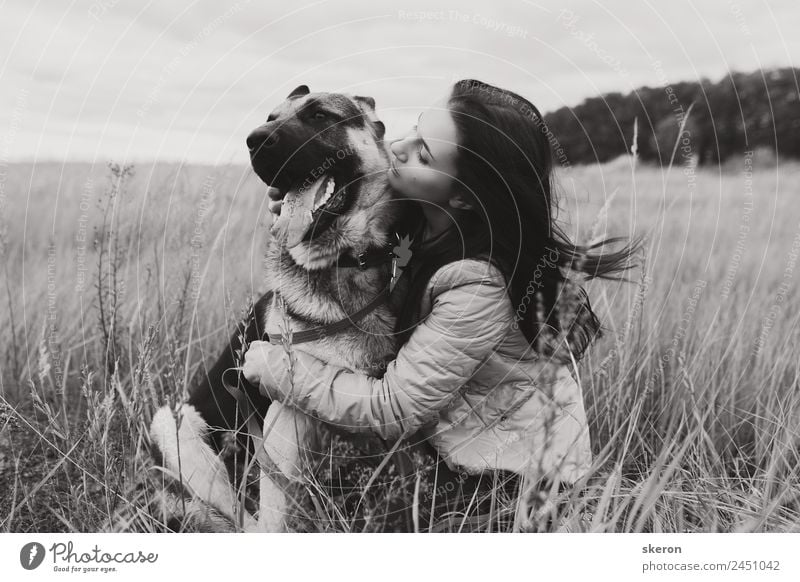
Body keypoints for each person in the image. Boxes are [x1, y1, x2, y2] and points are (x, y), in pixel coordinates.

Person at [243, 79, 642, 531]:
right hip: (450, 448)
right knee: (281, 373)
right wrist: (300, 196)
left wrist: (277, 367)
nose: (399, 146)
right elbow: (360, 202)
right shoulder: (430, 218)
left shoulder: (481, 284)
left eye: (424, 154)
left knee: (291, 410)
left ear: (463, 195)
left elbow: (391, 409)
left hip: (503, 494)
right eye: (413, 129)